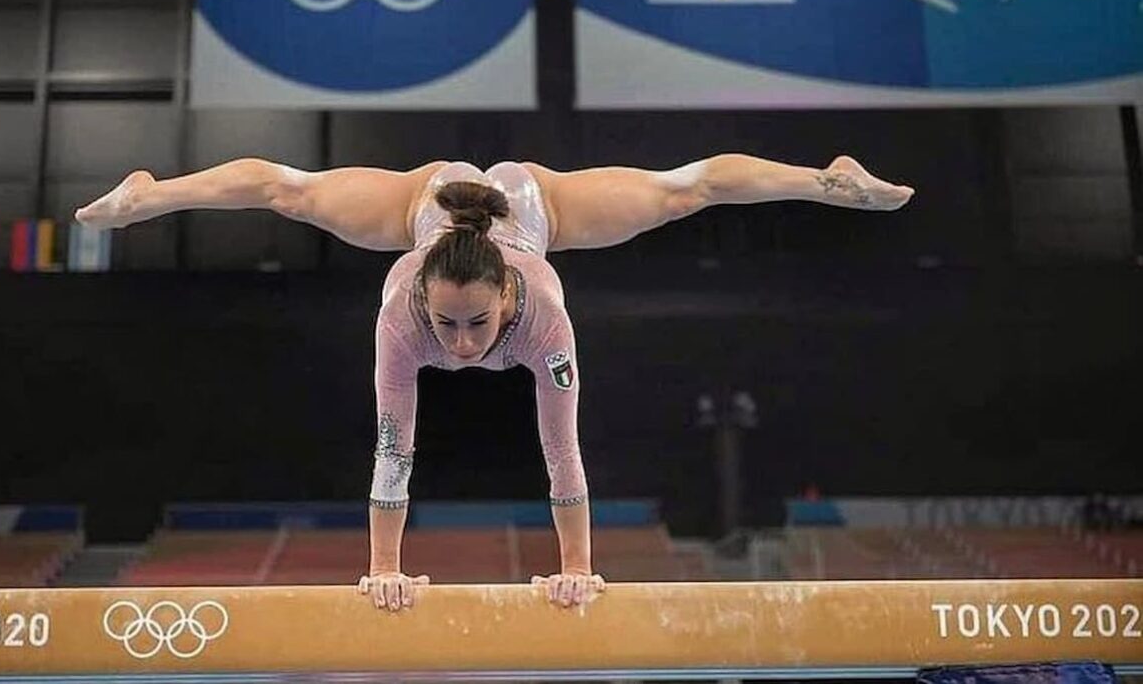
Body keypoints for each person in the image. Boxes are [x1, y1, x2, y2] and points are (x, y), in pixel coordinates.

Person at [75, 153, 914, 611]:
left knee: (678, 193)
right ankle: (154, 190)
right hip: (429, 202)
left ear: (508, 296)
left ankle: (822, 178)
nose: (465, 345)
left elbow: (563, 453)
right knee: (286, 192)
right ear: (421, 302)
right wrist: (382, 571)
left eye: (477, 324)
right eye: (448, 325)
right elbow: (393, 452)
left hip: (529, 203)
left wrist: (578, 568)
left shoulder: (545, 313)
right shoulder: (402, 315)